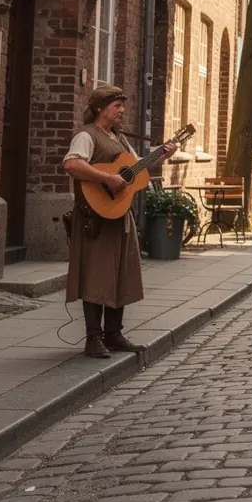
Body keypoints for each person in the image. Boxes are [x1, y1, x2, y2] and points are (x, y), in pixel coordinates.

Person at [63, 85, 176, 359]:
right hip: (95, 217)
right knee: (95, 275)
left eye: (122, 105)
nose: (122, 110)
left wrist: (163, 154)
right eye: (117, 106)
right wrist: (107, 179)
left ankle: (113, 333)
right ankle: (93, 338)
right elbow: (72, 164)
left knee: (120, 273)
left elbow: (136, 168)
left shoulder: (119, 138)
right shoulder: (86, 135)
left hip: (119, 216)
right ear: (101, 109)